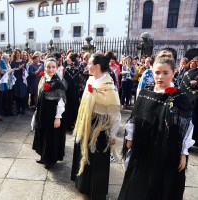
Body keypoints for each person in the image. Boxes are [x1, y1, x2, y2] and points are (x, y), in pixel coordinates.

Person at [118, 51, 195, 200]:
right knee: (138, 187)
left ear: (174, 72)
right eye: (157, 72)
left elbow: (187, 128)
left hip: (167, 151)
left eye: (165, 73)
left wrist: (184, 153)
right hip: (143, 148)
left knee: (160, 188)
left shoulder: (180, 98)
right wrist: (129, 138)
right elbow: (135, 118)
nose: (160, 77)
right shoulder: (145, 93)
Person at [71, 52, 121, 200]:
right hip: (87, 122)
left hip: (100, 126)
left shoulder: (109, 87)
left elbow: (115, 113)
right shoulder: (90, 80)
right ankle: (84, 185)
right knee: (84, 153)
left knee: (97, 158)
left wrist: (113, 135)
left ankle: (96, 190)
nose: (87, 65)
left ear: (97, 66)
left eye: (89, 63)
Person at [32, 57, 66, 169]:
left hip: (53, 115)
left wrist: (58, 117)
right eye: (48, 67)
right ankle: (43, 156)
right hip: (43, 113)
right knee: (42, 134)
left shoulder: (58, 83)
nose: (50, 69)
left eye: (53, 67)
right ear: (45, 67)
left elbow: (61, 103)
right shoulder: (45, 79)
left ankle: (50, 160)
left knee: (51, 137)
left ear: (56, 68)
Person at [179, 60, 197, 147]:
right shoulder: (189, 72)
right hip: (188, 99)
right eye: (191, 63)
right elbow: (183, 82)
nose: (192, 65)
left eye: (194, 63)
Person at [63, 52, 80, 130]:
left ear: (70, 59)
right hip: (75, 90)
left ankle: (68, 124)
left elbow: (64, 80)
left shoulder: (67, 68)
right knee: (75, 105)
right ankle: (75, 123)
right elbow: (79, 80)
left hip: (68, 90)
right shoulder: (78, 68)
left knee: (68, 106)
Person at [10, 49, 27, 115]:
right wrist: (17, 68)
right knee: (17, 95)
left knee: (22, 95)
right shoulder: (13, 62)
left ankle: (23, 108)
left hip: (22, 80)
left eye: (19, 53)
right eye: (17, 53)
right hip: (16, 80)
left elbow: (26, 72)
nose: (18, 54)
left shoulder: (23, 62)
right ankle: (18, 109)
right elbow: (10, 71)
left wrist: (22, 69)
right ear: (15, 54)